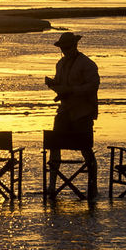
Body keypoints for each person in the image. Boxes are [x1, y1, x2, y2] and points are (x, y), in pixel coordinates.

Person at [45, 31, 100, 199]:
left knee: (85, 148)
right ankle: (52, 185)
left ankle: (93, 186)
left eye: (67, 48)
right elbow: (62, 85)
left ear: (75, 46)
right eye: (63, 48)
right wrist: (55, 86)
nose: (65, 51)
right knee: (54, 145)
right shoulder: (60, 64)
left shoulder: (87, 64)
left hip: (82, 113)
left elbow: (93, 86)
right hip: (64, 111)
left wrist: (72, 90)